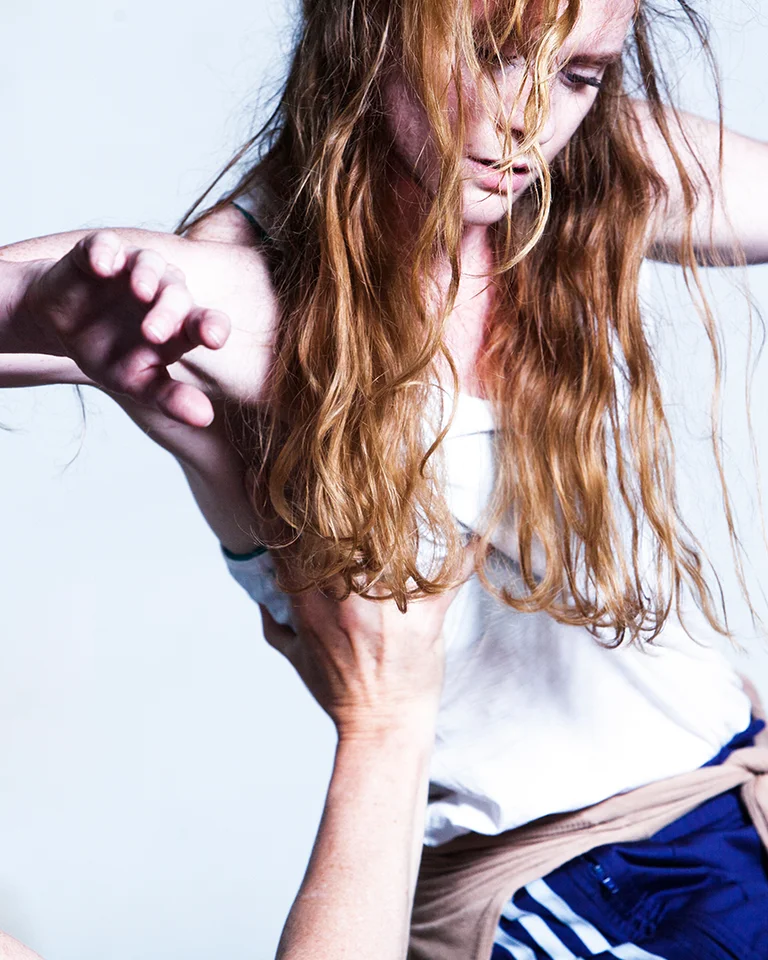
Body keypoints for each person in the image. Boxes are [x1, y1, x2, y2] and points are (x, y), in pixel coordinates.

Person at [2, 0, 768, 956]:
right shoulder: (247, 291)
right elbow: (71, 289)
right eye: (490, 53)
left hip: (732, 789)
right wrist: (40, 299)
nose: (530, 118)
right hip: (557, 881)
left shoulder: (581, 175)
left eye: (579, 74)